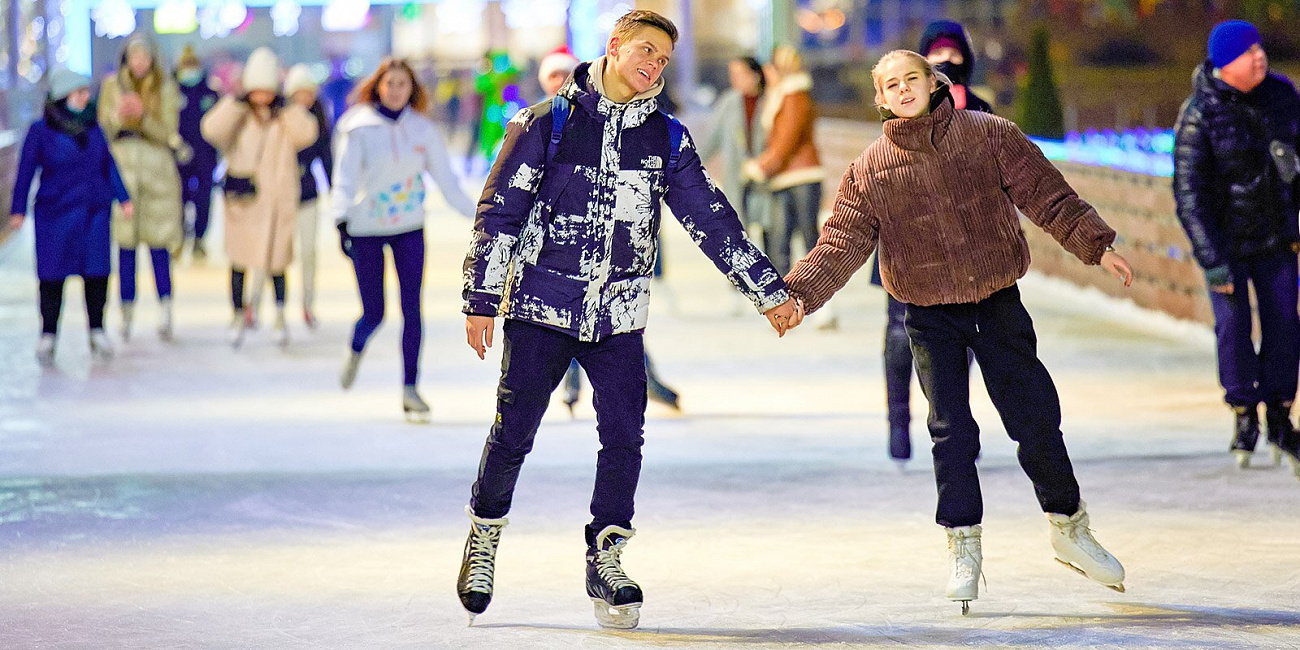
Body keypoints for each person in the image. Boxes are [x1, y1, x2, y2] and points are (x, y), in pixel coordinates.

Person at [456, 10, 798, 629]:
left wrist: (765, 290)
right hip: (541, 305)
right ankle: (484, 533)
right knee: (515, 430)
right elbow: (499, 211)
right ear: (614, 47)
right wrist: (481, 298)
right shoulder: (547, 124)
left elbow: (710, 218)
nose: (653, 66)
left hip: (618, 313)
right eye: (645, 51)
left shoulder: (664, 137)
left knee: (624, 435)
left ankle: (605, 552)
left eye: (663, 60)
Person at [783, 50, 1133, 614]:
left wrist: (1097, 244)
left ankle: (1069, 527)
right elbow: (842, 241)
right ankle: (963, 544)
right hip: (928, 312)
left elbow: (1047, 194)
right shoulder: (871, 167)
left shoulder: (989, 134)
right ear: (880, 98)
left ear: (933, 82)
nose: (902, 90)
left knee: (1035, 414)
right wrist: (798, 295)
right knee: (950, 430)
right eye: (890, 85)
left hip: (996, 300)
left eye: (910, 80)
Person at [1173, 20, 1300, 475]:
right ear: (1226, 64)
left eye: (1260, 48)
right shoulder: (1199, 113)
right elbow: (1189, 194)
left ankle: (1281, 415)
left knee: (1286, 324)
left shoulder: (1282, 98)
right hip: (1226, 245)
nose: (1259, 57)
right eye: (1248, 52)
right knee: (1234, 327)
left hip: (1277, 237)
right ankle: (1244, 412)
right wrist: (1212, 260)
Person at [535, 45, 682, 414]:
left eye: (563, 74)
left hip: (611, 250)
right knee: (568, 325)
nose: (558, 81)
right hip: (560, 249)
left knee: (617, 326)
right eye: (551, 75)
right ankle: (570, 390)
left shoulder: (609, 118)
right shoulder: (540, 123)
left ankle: (649, 385)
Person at [330, 58, 476, 421]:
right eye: (389, 83)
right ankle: (357, 344)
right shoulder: (358, 127)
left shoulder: (423, 130)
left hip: (409, 227)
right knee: (375, 312)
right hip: (365, 229)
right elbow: (345, 177)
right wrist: (341, 219)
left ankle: (411, 388)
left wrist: (481, 217)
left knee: (412, 309)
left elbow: (447, 181)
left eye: (402, 84)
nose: (395, 90)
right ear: (378, 86)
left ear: (412, 89)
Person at [877, 20, 996, 467]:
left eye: (955, 53)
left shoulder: (982, 111)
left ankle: (953, 426)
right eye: (937, 55)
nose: (948, 62)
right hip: (904, 240)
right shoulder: (900, 110)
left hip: (963, 248)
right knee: (898, 336)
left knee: (962, 339)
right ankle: (897, 421)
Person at [10, 68, 133, 366]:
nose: (85, 97)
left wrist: (123, 196)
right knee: (52, 276)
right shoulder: (41, 131)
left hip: (93, 211)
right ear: (64, 96)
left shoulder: (94, 128)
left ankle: (97, 328)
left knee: (97, 273)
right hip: (56, 214)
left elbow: (108, 164)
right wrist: (17, 209)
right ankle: (49, 332)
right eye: (79, 93)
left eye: (85, 92)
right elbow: (26, 170)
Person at [201, 47, 318, 348]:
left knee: (277, 262)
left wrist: (287, 108)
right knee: (239, 261)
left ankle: (279, 316)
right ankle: (238, 315)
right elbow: (211, 130)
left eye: (268, 91)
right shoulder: (237, 115)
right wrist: (235, 104)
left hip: (277, 203)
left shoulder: (284, 116)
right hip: (244, 202)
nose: (262, 97)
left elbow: (308, 133)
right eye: (257, 90)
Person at [99, 34, 185, 342]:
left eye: (144, 57)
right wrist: (118, 115)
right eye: (134, 57)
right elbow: (103, 131)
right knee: (126, 246)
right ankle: (126, 311)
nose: (139, 63)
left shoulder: (165, 87)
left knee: (159, 244)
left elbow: (169, 132)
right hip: (123, 172)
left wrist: (143, 117)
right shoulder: (112, 87)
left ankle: (165, 308)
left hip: (157, 173)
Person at [743, 46, 823, 276]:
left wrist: (762, 166)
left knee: (809, 239)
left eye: (770, 68)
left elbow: (788, 138)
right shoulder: (779, 96)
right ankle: (783, 296)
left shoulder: (794, 95)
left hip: (801, 176)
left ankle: (821, 296)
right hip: (781, 179)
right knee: (780, 240)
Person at [284, 64, 334, 329]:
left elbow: (326, 155)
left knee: (309, 252)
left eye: (308, 92)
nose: (305, 98)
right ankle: (254, 303)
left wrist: (333, 186)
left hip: (307, 192)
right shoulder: (280, 117)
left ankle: (308, 304)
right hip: (280, 193)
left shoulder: (319, 118)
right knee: (273, 249)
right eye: (299, 93)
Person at [174, 44, 220, 261]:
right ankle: (179, 235)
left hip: (205, 155)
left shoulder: (210, 93)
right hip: (179, 156)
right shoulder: (172, 92)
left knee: (203, 199)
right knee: (178, 198)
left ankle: (199, 238)